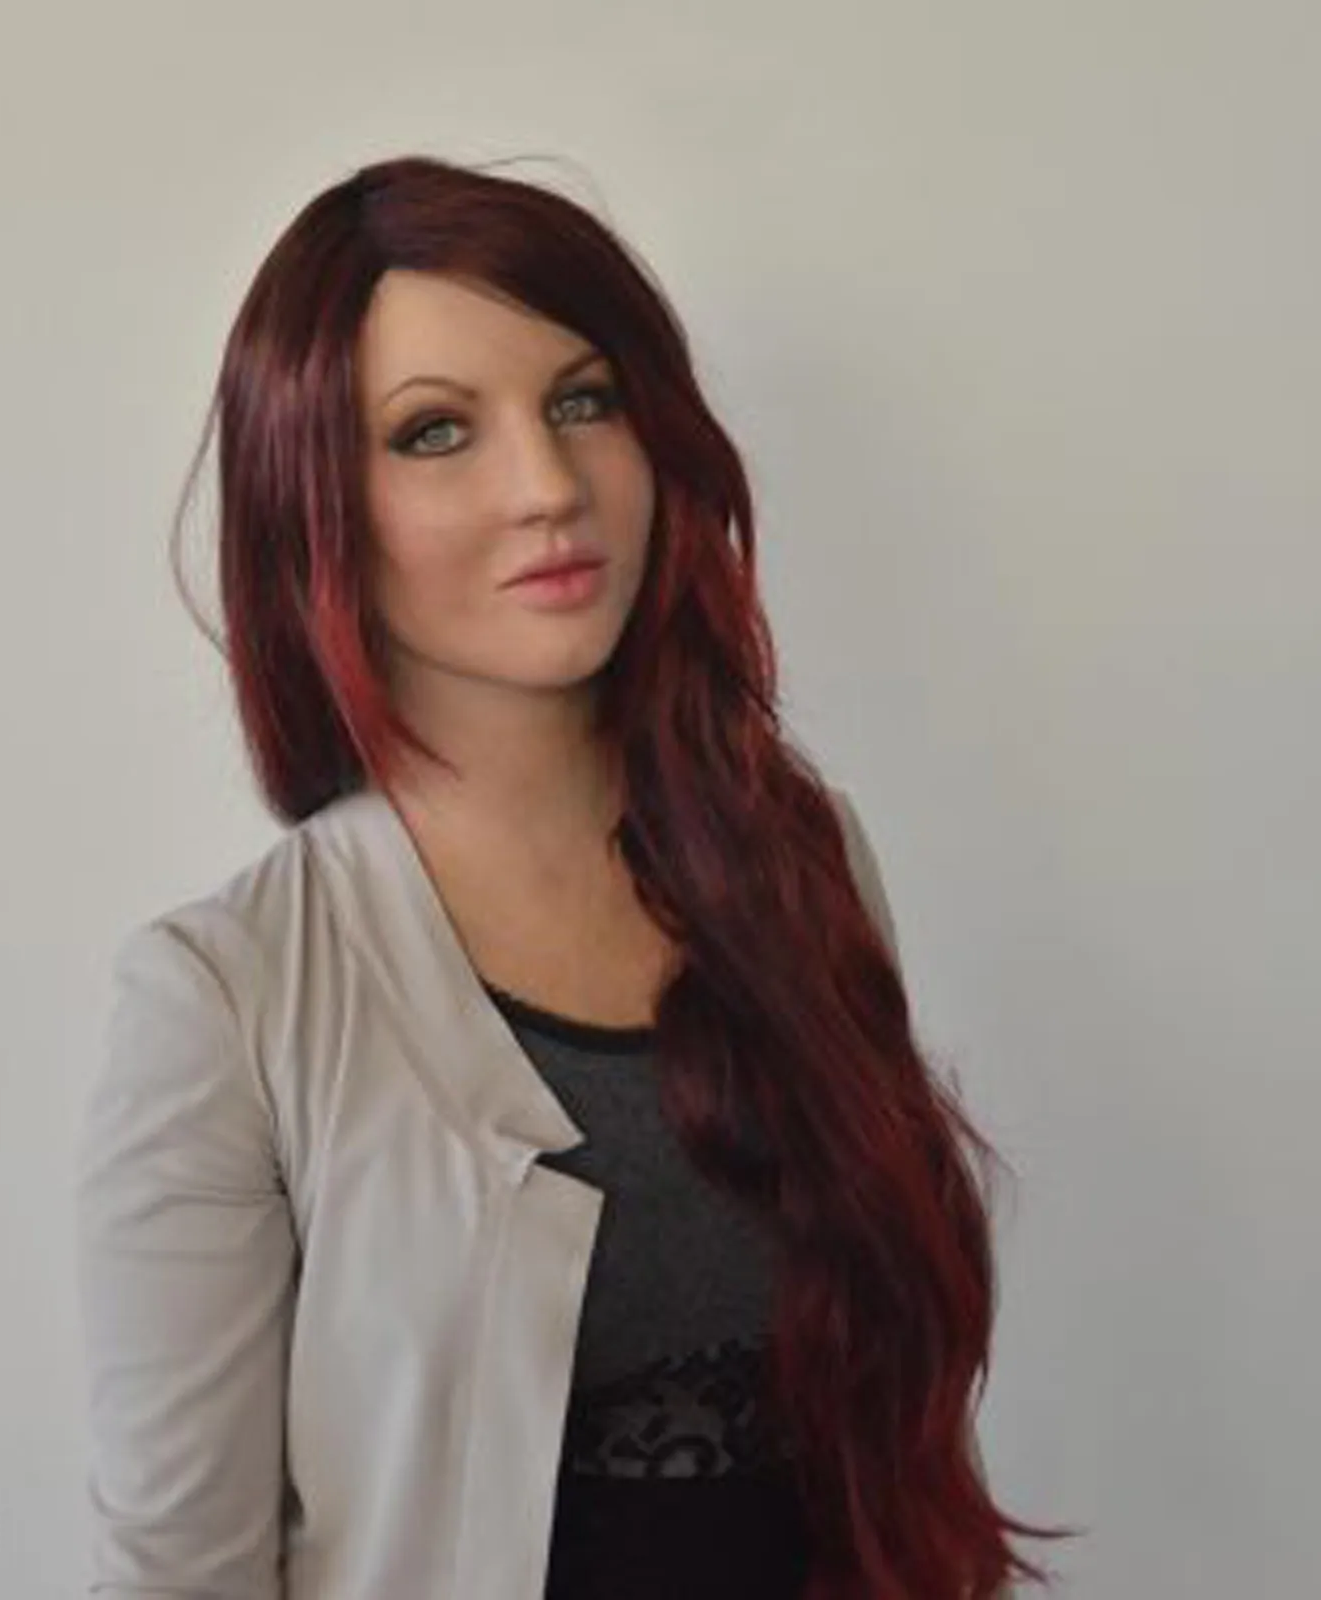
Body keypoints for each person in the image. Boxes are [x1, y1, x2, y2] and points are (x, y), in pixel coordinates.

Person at [75, 154, 1064, 1600]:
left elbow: (897, 1439)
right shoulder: (224, 999)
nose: (546, 486)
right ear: (314, 504)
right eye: (434, 432)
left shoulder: (805, 866)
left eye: (584, 402)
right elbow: (181, 1575)